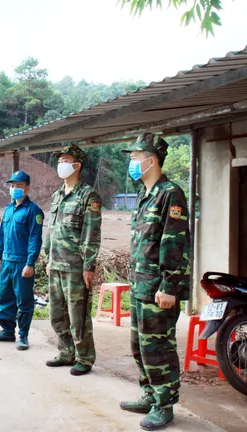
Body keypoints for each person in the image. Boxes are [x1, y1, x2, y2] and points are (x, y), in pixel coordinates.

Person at [119, 133, 190, 431]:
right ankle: (149, 394)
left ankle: (165, 404)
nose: (133, 162)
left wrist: (169, 287)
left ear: (152, 159)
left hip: (159, 289)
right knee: (139, 345)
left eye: (136, 156)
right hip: (141, 284)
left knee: (158, 348)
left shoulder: (170, 193)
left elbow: (174, 244)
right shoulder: (143, 194)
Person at [43, 144, 102, 376]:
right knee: (57, 313)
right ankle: (66, 351)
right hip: (56, 264)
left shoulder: (89, 196)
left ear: (77, 165)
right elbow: (52, 228)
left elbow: (91, 232)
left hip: (76, 267)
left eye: (65, 160)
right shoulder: (57, 195)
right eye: (59, 161)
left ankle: (84, 358)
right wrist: (47, 257)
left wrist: (89, 265)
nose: (61, 165)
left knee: (78, 315)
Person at [0, 171, 44, 351]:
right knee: (5, 297)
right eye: (12, 186)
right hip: (6, 261)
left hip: (22, 263)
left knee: (24, 300)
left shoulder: (33, 211)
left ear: (27, 188)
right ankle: (7, 331)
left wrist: (30, 263)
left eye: (19, 186)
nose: (14, 189)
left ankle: (23, 336)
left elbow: (35, 240)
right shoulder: (8, 209)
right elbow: (1, 235)